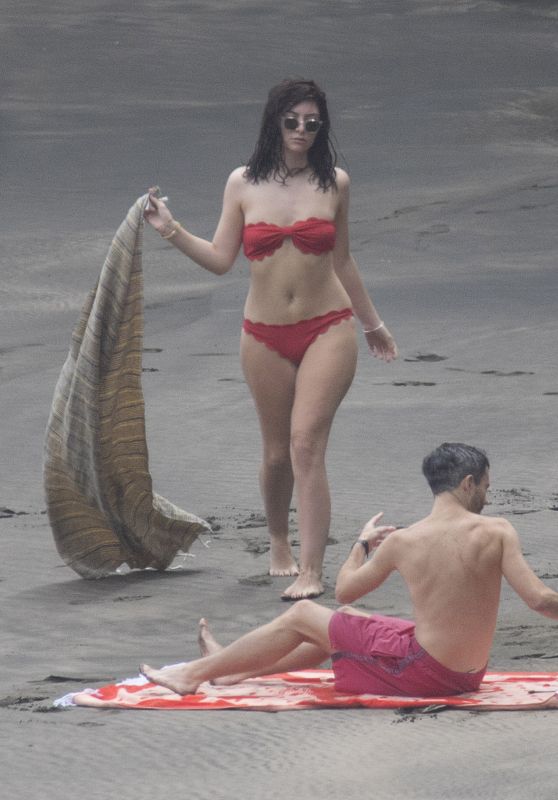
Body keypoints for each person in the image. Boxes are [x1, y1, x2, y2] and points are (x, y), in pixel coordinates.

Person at [144, 78, 398, 600]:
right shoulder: (242, 183)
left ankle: (311, 569)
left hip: (328, 325)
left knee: (307, 444)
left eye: (312, 121)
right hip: (262, 335)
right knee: (277, 453)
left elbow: (342, 260)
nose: (302, 130)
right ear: (275, 123)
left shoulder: (336, 183)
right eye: (292, 121)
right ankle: (278, 541)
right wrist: (170, 229)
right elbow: (220, 259)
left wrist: (372, 324)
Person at [140, 442, 558, 697]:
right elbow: (540, 600)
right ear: (467, 483)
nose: (487, 495)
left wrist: (361, 544)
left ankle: (193, 675)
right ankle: (235, 672)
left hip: (425, 674)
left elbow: (344, 588)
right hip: (466, 674)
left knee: (306, 614)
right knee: (346, 622)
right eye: (485, 486)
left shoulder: (402, 541)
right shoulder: (498, 531)